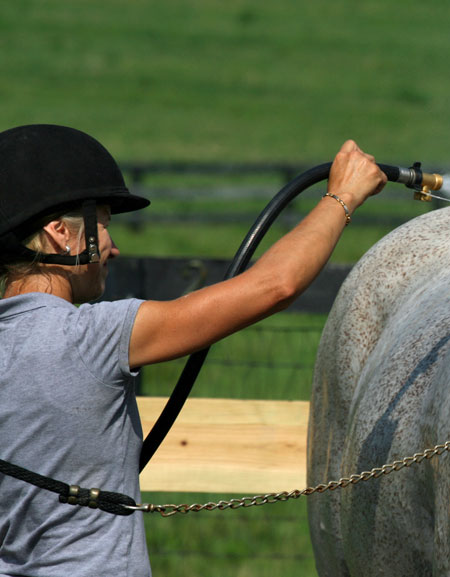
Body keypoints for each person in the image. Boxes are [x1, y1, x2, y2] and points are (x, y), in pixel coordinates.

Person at [0, 124, 386, 576]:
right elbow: (274, 286)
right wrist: (342, 197)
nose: (115, 247)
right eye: (103, 224)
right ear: (60, 234)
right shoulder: (92, 337)